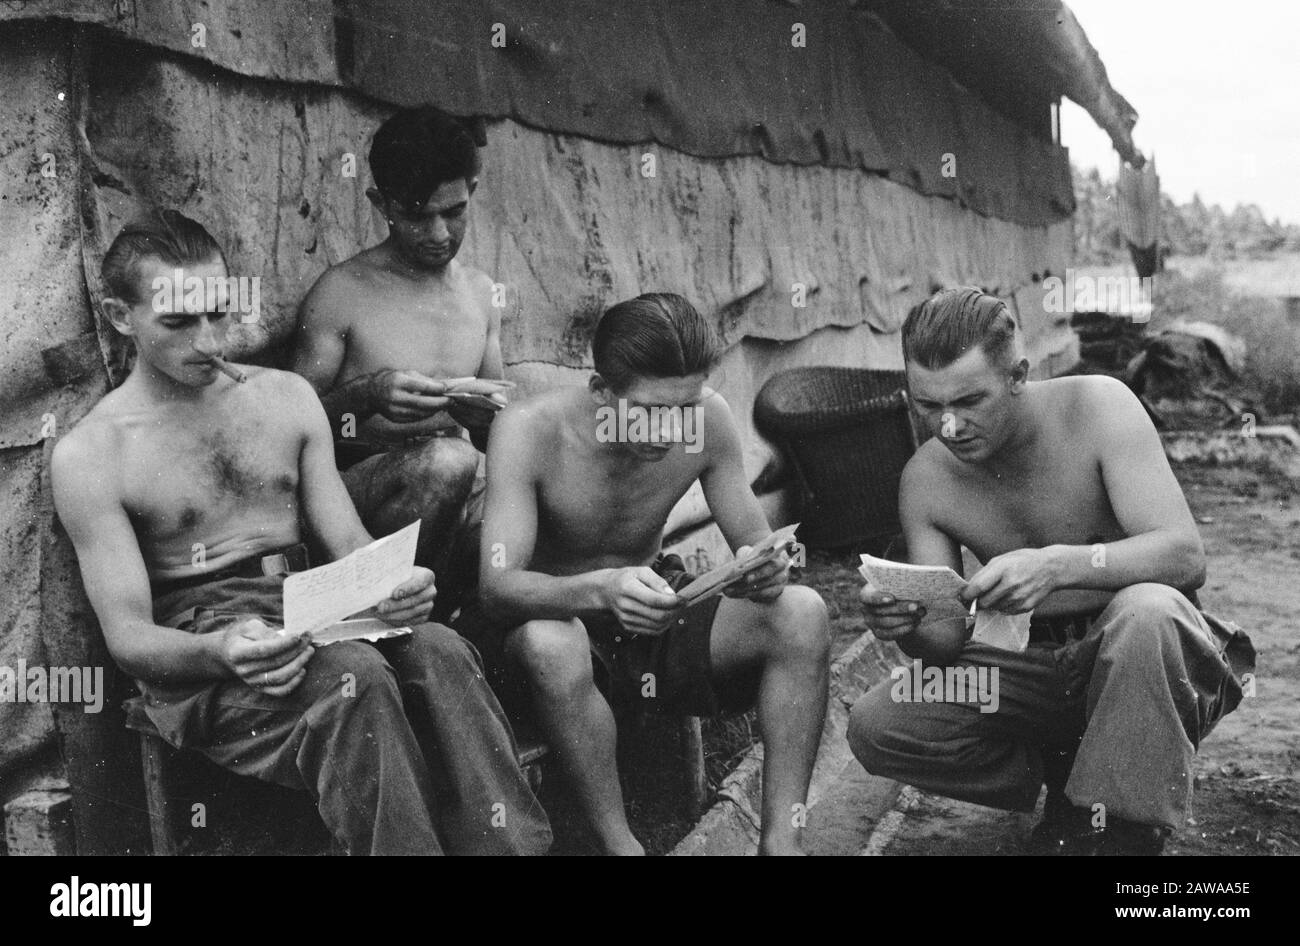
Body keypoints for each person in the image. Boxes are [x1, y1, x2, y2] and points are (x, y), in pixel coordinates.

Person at [53, 209, 550, 856]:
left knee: (438, 646)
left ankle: (515, 851)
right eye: (178, 321)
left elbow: (347, 547)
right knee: (358, 676)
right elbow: (131, 640)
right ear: (122, 316)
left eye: (218, 313)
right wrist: (223, 649)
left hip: (311, 604)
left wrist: (396, 584)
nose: (208, 341)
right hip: (205, 650)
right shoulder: (93, 454)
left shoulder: (286, 399)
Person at [847, 287, 1254, 855]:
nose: (949, 426)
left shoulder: (1100, 406)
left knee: (1150, 612)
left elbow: (1185, 556)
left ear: (1018, 375)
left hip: (1146, 657)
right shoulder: (925, 479)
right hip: (1032, 667)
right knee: (880, 723)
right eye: (927, 405)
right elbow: (942, 641)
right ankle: (1074, 776)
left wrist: (1060, 565)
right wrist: (901, 619)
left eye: (970, 401)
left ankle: (1122, 831)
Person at [458, 292, 830, 856]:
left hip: (651, 609)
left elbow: (756, 545)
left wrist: (767, 571)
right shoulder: (529, 429)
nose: (668, 430)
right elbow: (498, 589)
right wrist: (601, 588)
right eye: (649, 410)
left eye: (684, 406)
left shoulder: (708, 419)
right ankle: (620, 845)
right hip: (551, 620)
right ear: (601, 390)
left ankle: (782, 842)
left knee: (802, 613)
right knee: (551, 643)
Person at [289, 106, 505, 614]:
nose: (438, 234)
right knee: (449, 462)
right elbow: (283, 429)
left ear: (472, 190)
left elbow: (501, 433)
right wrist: (366, 396)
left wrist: (484, 416)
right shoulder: (342, 292)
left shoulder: (480, 293)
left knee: (533, 499)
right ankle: (377, 611)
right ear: (380, 204)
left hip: (453, 493)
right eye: (415, 215)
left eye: (453, 212)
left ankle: (457, 626)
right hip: (353, 499)